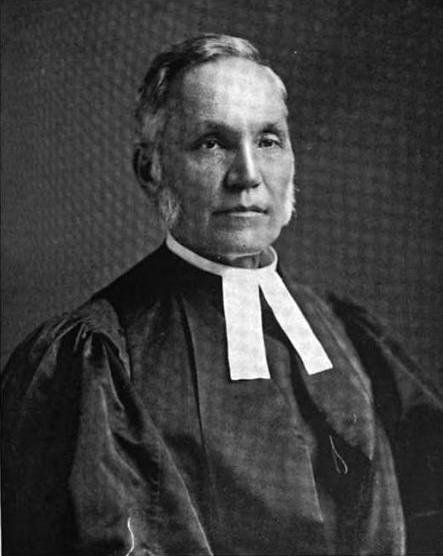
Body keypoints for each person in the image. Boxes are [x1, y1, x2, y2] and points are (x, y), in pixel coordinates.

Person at [1, 33, 442, 556]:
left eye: (269, 140)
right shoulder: (96, 357)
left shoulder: (348, 333)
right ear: (150, 169)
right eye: (212, 143)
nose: (248, 176)